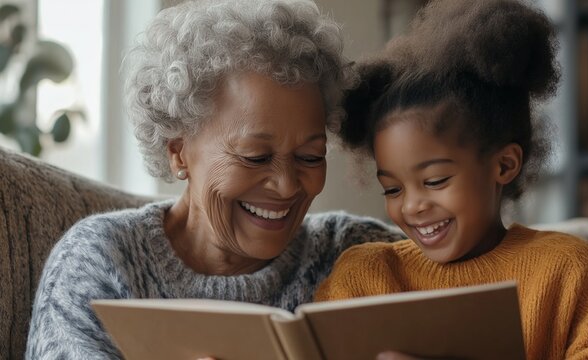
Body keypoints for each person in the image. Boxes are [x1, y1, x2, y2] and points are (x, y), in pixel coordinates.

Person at [25, 0, 403, 358]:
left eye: (309, 156)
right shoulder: (103, 263)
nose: (287, 185)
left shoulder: (358, 254)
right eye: (256, 156)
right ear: (178, 152)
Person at [314, 0, 588, 359]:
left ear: (505, 165)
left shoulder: (568, 269)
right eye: (392, 188)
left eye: (434, 181)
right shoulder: (363, 278)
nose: (412, 205)